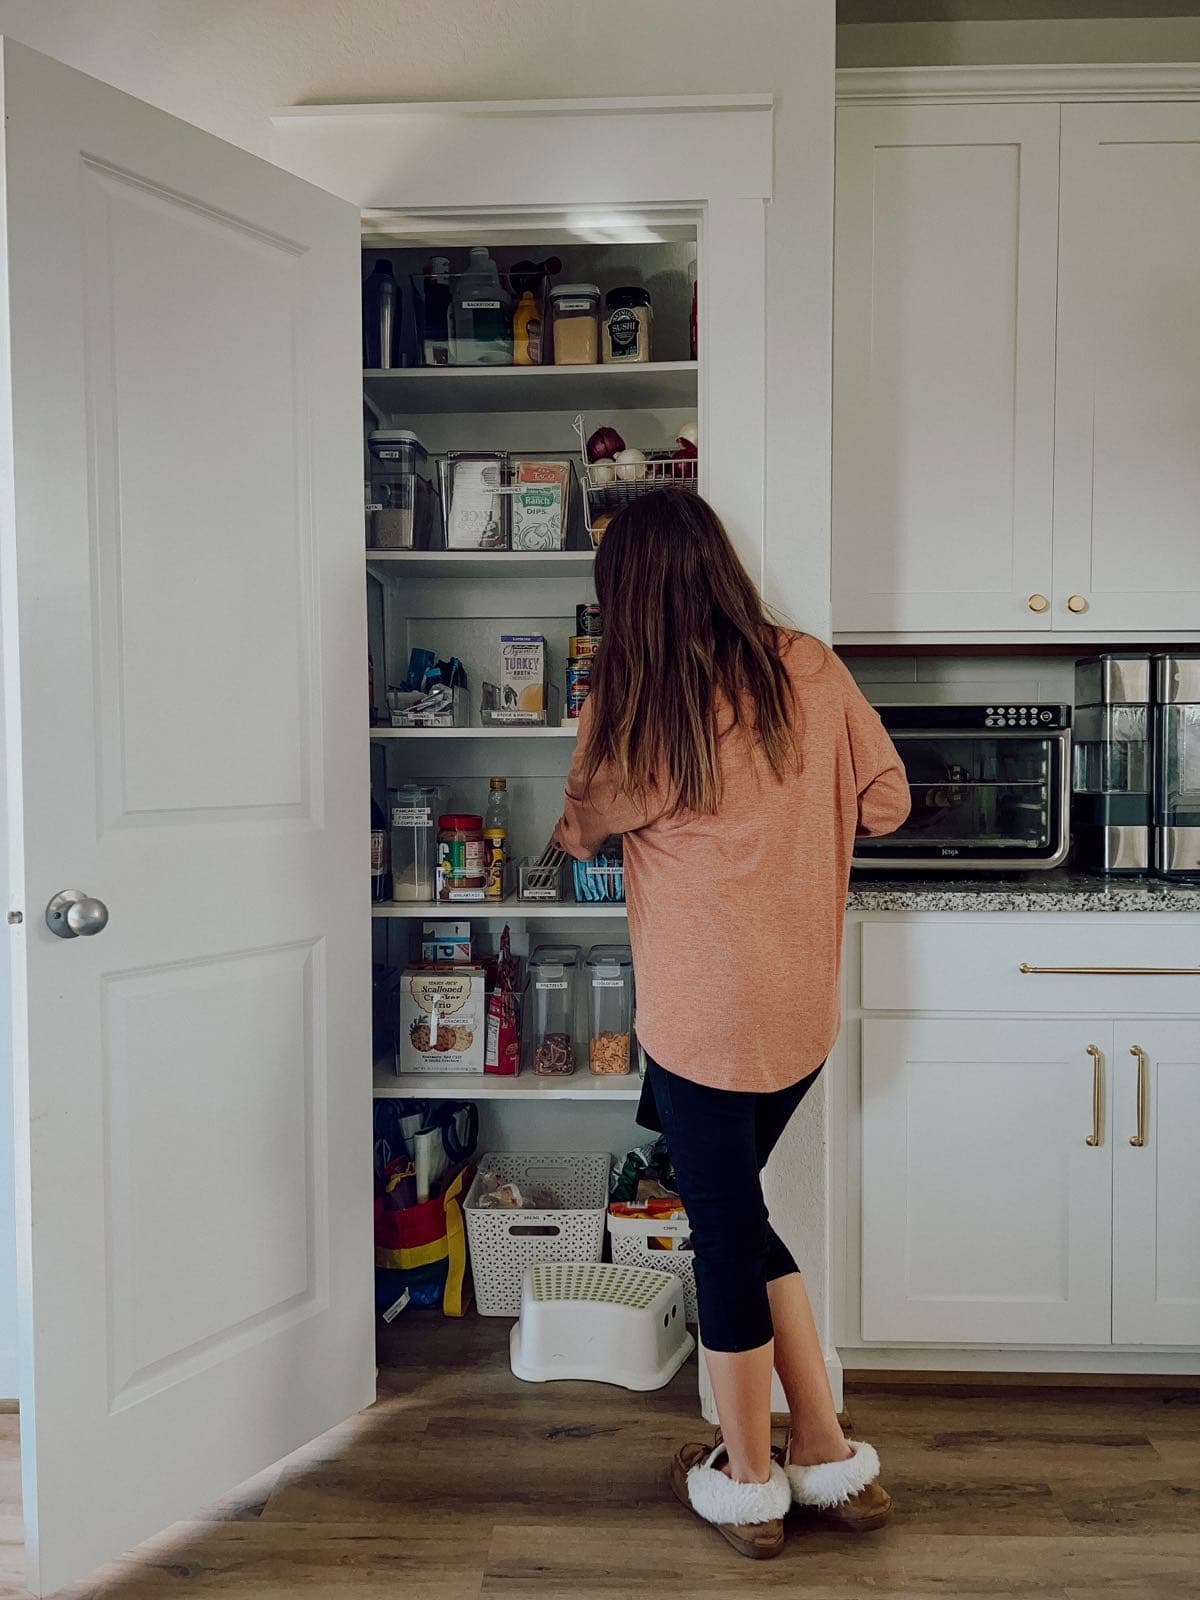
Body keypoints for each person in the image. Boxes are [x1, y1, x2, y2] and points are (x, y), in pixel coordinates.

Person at [555, 489, 910, 1560]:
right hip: (799, 1008)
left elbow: (581, 827)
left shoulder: (634, 694)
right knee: (736, 1208)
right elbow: (885, 801)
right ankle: (830, 1452)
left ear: (628, 594)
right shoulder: (806, 660)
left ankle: (750, 1478)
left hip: (700, 1016)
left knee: (720, 1228)